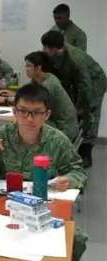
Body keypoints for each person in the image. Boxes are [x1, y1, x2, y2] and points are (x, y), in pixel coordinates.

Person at [0, 84, 87, 261]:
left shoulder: (58, 140)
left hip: (44, 206)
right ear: (15, 112)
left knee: (75, 238)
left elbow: (78, 172)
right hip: (4, 205)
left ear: (47, 115)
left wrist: (69, 180)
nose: (29, 119)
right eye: (23, 112)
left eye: (36, 113)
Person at [41, 30, 106, 168]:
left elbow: (85, 84)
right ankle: (73, 152)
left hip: (95, 83)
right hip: (77, 83)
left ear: (55, 48)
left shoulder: (76, 58)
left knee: (89, 117)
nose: (44, 49)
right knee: (75, 114)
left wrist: (82, 106)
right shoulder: (56, 53)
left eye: (46, 47)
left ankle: (86, 154)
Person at [0, 51, 79, 140]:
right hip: (52, 120)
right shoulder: (37, 79)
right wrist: (14, 95)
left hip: (63, 126)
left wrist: (5, 100)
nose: (26, 69)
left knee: (24, 125)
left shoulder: (49, 83)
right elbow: (29, 96)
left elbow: (32, 103)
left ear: (38, 68)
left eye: (28, 66)